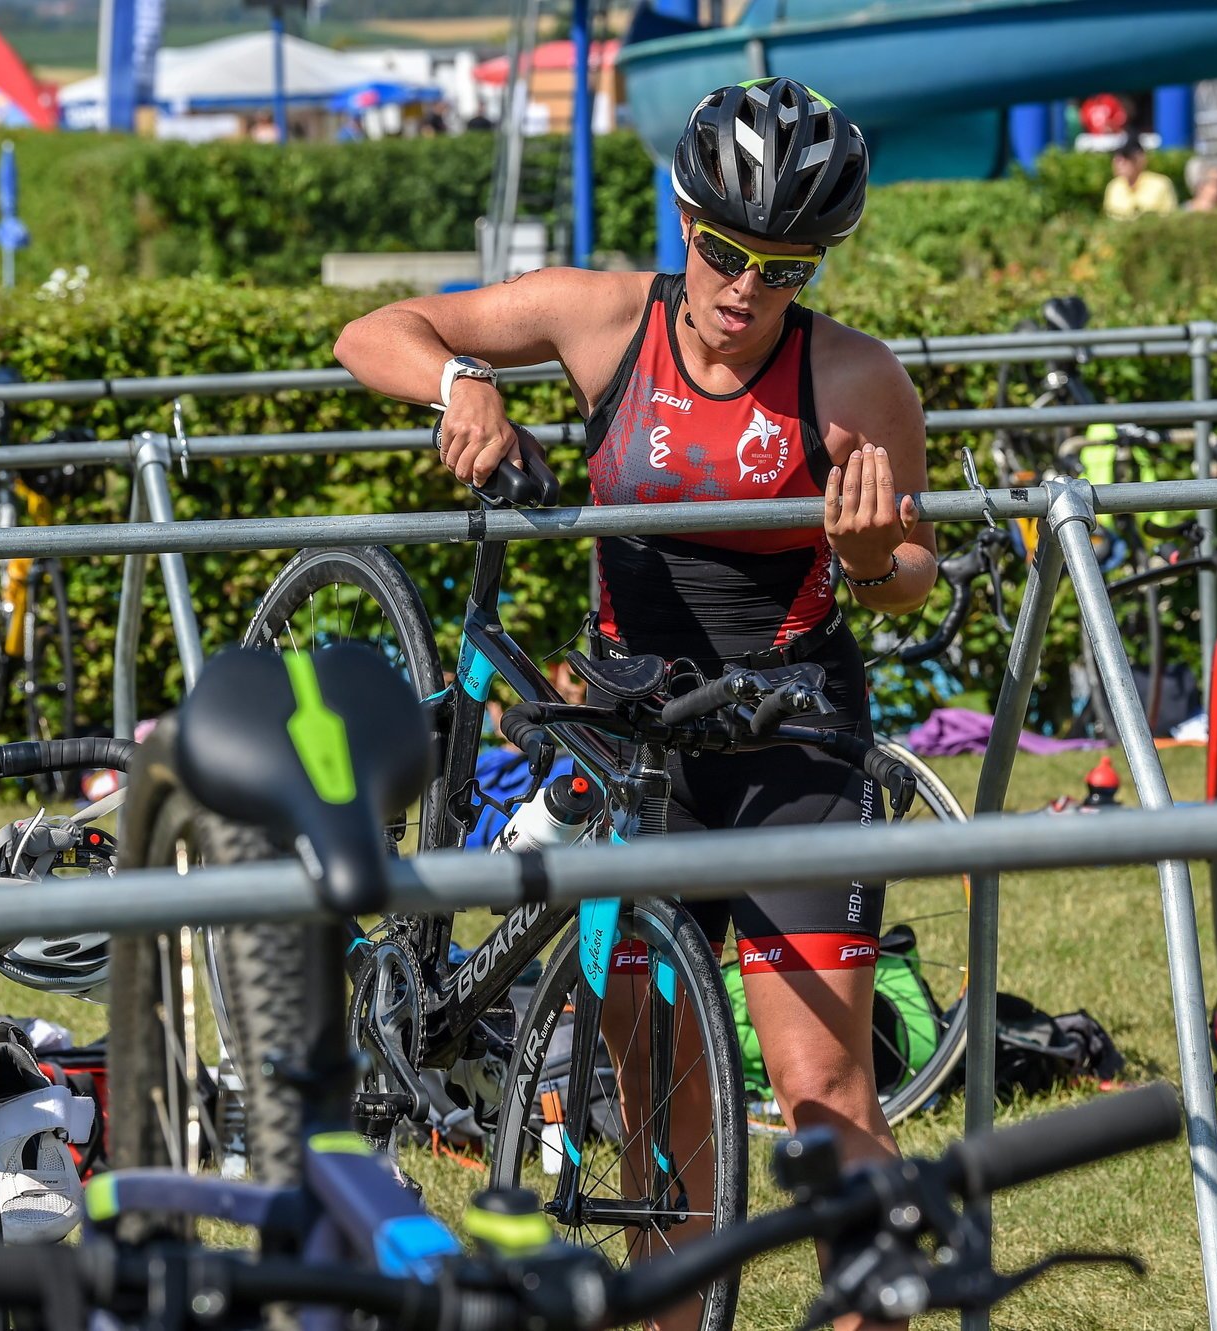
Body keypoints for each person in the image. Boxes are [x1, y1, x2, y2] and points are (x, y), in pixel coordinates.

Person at [333, 77, 932, 1326]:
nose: (745, 290)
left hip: (791, 741)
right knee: (654, 1083)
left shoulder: (856, 379)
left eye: (786, 268)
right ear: (682, 218)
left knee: (823, 1085)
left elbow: (906, 578)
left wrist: (872, 556)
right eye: (723, 251)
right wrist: (460, 386)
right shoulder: (601, 318)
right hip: (624, 743)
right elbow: (372, 329)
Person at [1103, 140, 1177, 220]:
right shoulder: (1113, 186)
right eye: (1116, 158)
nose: (1120, 163)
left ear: (1140, 159)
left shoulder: (1160, 184)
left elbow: (1170, 219)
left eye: (1126, 157)